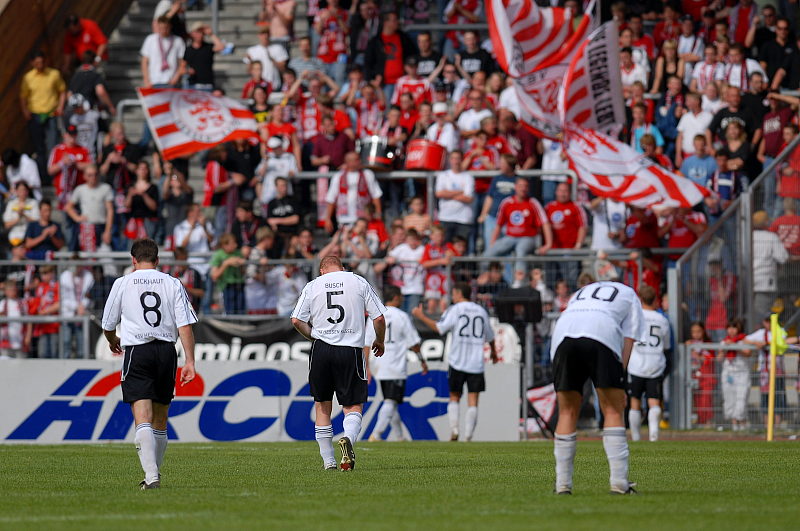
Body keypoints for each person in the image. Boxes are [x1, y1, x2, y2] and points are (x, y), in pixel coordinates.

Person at [101, 238, 197, 490]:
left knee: (142, 416)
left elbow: (108, 325)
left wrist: (113, 341)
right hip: (166, 351)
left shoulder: (123, 283)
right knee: (161, 418)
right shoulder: (172, 282)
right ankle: (153, 473)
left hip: (138, 351)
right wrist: (190, 361)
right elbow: (184, 325)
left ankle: (152, 475)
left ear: (133, 260)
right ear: (157, 260)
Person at [549, 279, 646, 494]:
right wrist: (620, 381)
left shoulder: (581, 291)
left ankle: (562, 485)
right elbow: (629, 339)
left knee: (567, 411)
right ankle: (619, 483)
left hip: (563, 333)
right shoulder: (629, 294)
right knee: (612, 409)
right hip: (601, 330)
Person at [291, 255, 387, 471]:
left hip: (321, 349)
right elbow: (379, 318)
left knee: (322, 405)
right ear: (342, 268)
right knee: (353, 405)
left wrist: (313, 336)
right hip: (350, 349)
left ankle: (329, 462)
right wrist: (379, 341)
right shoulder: (358, 281)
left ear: (322, 271)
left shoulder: (313, 285)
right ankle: (348, 441)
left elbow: (296, 320)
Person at [412, 282, 498, 442]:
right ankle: (468, 436)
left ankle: (455, 430)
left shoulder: (455, 310)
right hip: (476, 363)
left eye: (454, 293)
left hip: (458, 360)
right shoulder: (481, 311)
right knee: (473, 400)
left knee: (454, 396)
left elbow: (440, 328)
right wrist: (494, 352)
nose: (453, 296)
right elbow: (490, 336)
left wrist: (421, 316)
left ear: (459, 293)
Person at [365, 285, 427, 442]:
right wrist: (422, 360)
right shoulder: (402, 316)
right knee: (391, 401)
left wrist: (366, 366)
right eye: (400, 297)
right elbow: (414, 342)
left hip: (378, 364)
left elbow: (366, 344)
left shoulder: (375, 315)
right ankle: (377, 434)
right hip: (395, 365)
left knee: (389, 400)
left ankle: (400, 436)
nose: (402, 299)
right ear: (396, 297)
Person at [626, 285, 672, 442]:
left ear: (640, 299)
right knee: (654, 400)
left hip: (636, 364)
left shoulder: (634, 317)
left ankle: (636, 437)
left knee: (635, 401)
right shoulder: (662, 319)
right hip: (655, 363)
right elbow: (666, 345)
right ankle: (653, 434)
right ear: (655, 299)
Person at [485, 177, 552, 282]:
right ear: (515, 187)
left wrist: (548, 244)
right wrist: (493, 242)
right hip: (510, 237)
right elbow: (498, 224)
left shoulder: (533, 203)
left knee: (520, 250)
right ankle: (481, 279)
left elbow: (545, 223)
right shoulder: (507, 202)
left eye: (525, 186)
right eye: (520, 186)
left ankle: (518, 283)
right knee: (490, 252)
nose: (523, 189)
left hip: (528, 238)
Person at [21, 51, 66, 179]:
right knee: (39, 147)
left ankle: (54, 174)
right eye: (37, 63)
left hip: (51, 114)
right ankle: (43, 175)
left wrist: (60, 107)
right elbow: (23, 96)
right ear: (32, 63)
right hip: (35, 115)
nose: (40, 65)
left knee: (52, 144)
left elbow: (62, 91)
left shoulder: (53, 74)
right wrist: (25, 111)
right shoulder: (28, 77)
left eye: (41, 62)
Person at [323, 152, 382, 233]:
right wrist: (328, 219)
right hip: (344, 220)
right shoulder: (338, 176)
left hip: (363, 220)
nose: (360, 161)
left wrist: (377, 215)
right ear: (348, 162)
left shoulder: (367, 174)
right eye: (357, 160)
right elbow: (331, 199)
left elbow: (376, 196)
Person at [64, 164, 113, 252]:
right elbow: (68, 207)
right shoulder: (80, 189)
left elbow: (110, 210)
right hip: (86, 229)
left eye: (95, 174)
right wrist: (77, 218)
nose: (93, 177)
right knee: (87, 259)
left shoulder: (106, 188)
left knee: (107, 258)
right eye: (90, 175)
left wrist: (107, 231)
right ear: (84, 176)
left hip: (101, 227)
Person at [719, 318, 751, 430]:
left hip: (742, 373)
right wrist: (725, 349)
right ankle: (734, 424)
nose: (732, 330)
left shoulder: (744, 340)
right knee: (729, 398)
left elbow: (748, 353)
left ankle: (742, 422)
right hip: (728, 373)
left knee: (741, 398)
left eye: (734, 328)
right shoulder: (724, 341)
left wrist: (735, 346)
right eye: (729, 328)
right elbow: (719, 358)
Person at [181, 21, 225, 91]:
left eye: (202, 32)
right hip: (193, 85)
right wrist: (188, 71)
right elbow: (182, 68)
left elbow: (221, 47)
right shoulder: (188, 50)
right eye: (198, 32)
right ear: (192, 34)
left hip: (207, 85)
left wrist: (211, 34)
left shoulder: (208, 47)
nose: (200, 35)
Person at [210, 233, 246, 315]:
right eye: (233, 243)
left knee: (241, 311)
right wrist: (226, 263)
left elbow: (243, 272)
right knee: (229, 312)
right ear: (224, 245)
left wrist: (242, 264)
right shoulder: (218, 255)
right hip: (226, 286)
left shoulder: (238, 253)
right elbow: (214, 275)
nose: (236, 245)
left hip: (239, 284)